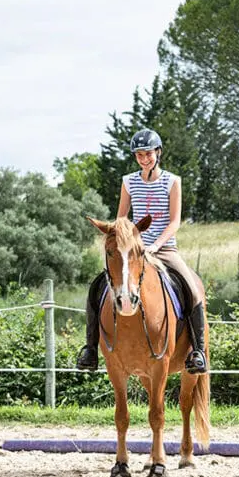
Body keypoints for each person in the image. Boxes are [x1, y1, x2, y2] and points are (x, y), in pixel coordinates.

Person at [75, 128, 208, 373]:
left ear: (158, 153)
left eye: (148, 154)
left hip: (164, 249)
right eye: (139, 155)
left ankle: (198, 351)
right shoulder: (128, 181)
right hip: (133, 251)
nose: (144, 158)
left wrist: (155, 245)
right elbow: (121, 219)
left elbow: (174, 221)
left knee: (192, 289)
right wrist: (125, 242)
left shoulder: (172, 181)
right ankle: (90, 350)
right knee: (97, 288)